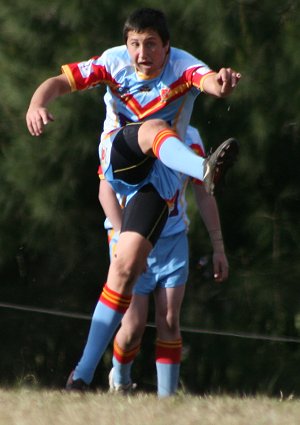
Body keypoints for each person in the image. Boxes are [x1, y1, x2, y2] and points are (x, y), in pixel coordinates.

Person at [26, 7, 240, 392]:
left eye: (151, 45)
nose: (142, 53)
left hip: (157, 185)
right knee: (154, 127)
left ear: (167, 47)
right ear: (126, 45)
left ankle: (81, 377)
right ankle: (201, 169)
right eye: (135, 44)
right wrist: (36, 104)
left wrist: (222, 84)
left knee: (125, 271)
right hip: (119, 160)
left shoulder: (183, 66)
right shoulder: (112, 63)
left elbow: (208, 81)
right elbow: (59, 81)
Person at [66, 126, 229, 397]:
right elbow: (104, 190)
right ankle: (120, 379)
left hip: (173, 240)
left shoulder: (190, 137)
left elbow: (204, 193)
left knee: (169, 320)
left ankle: (167, 399)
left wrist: (218, 247)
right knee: (133, 325)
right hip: (131, 238)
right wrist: (123, 239)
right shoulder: (130, 133)